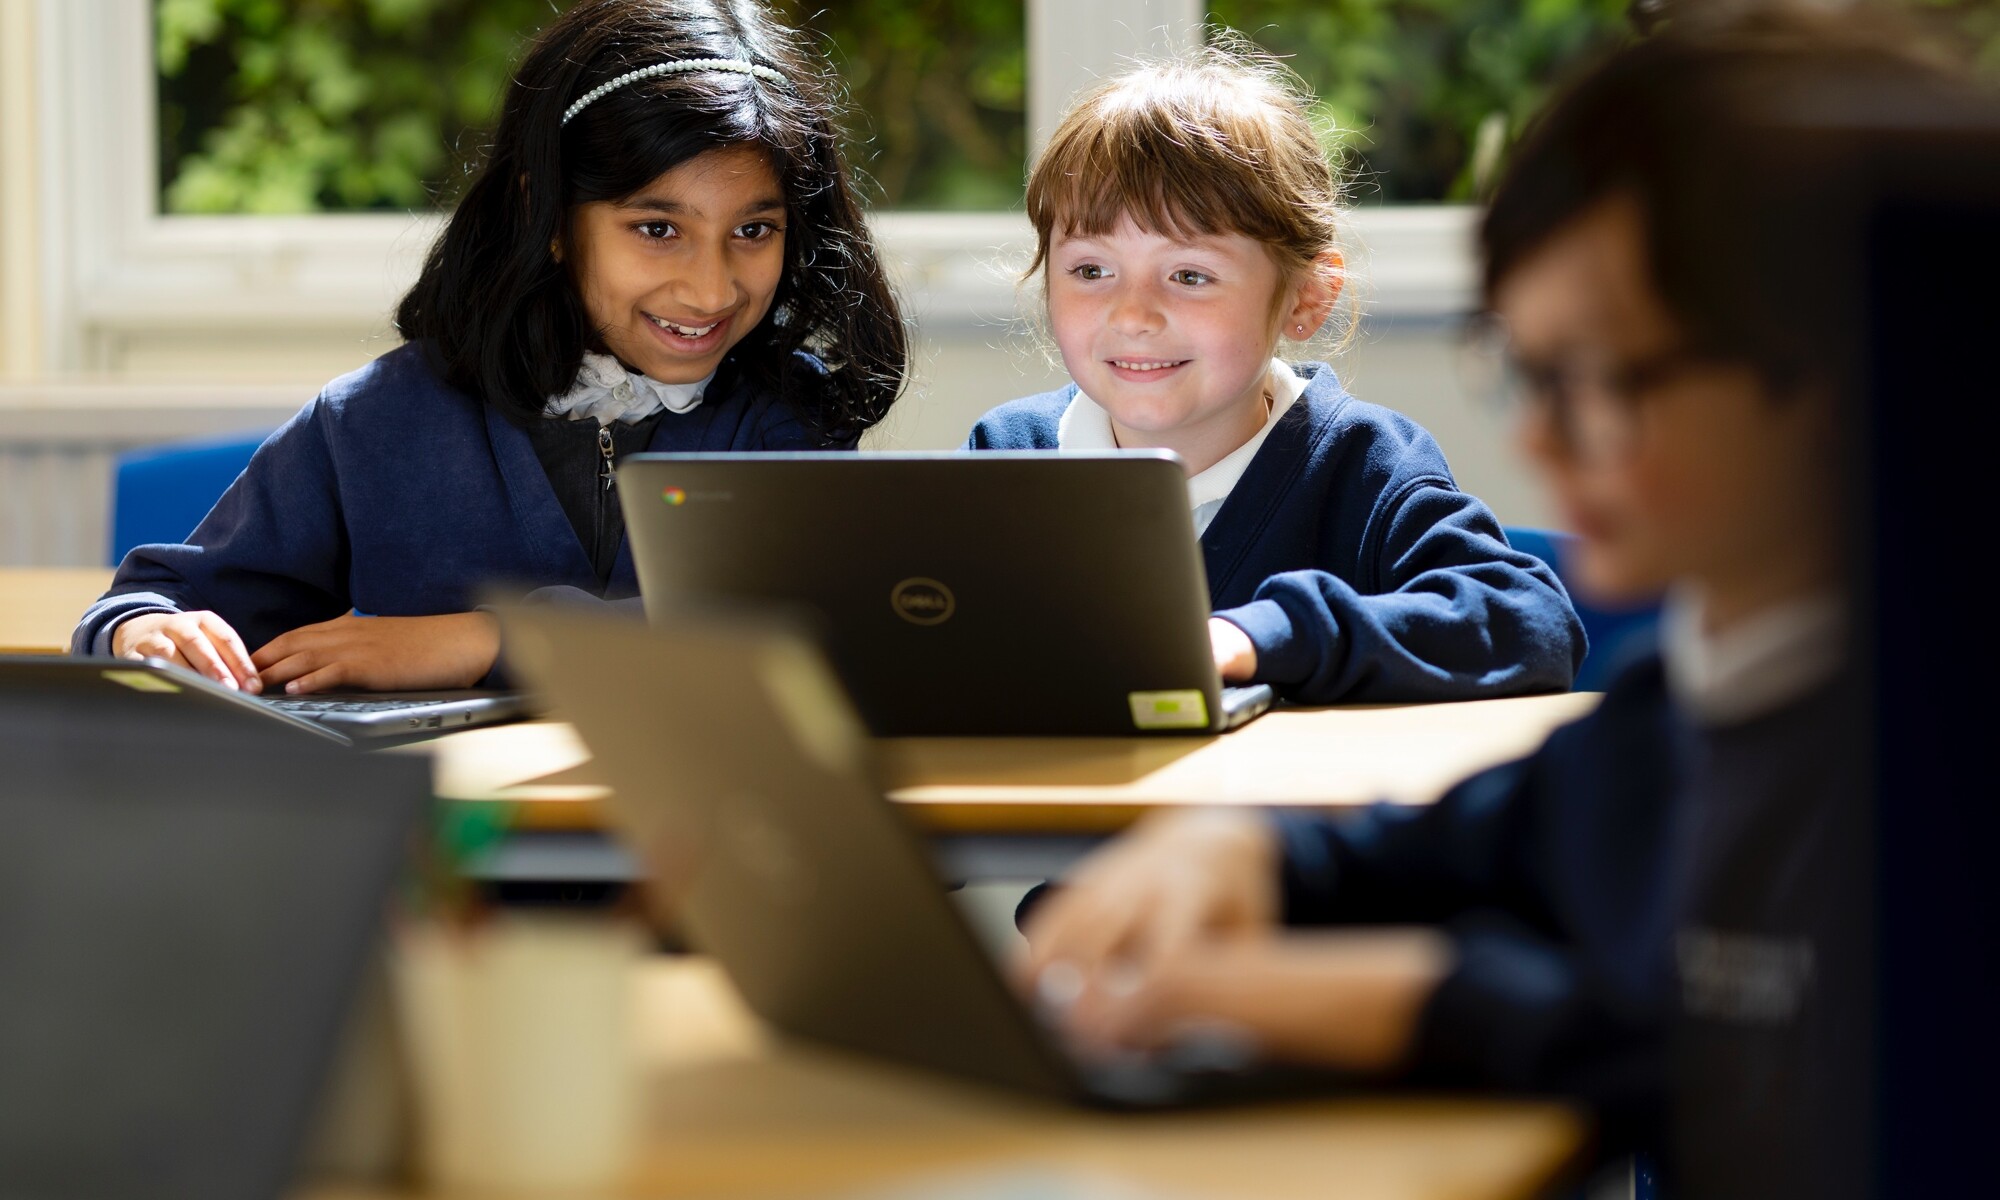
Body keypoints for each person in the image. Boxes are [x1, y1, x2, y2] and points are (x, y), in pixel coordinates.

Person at [1017, 15, 1956, 1194]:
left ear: (1849, 366)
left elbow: (1730, 1039)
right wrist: (1250, 854)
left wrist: (1405, 1002)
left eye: (1609, 378)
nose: (1536, 436)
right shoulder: (1699, 694)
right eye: (1528, 369)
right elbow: (1482, 835)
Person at [72, 0, 905, 695]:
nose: (711, 288)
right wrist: (149, 629)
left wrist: (490, 639)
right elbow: (163, 597)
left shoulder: (786, 415)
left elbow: (799, 622)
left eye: (753, 231)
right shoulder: (379, 421)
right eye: (657, 229)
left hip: (706, 868)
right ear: (547, 219)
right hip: (460, 865)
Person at [965, 49, 1583, 704]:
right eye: (1091, 270)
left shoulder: (1364, 466)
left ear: (1305, 299)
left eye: (1189, 275)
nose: (1133, 314)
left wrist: (1263, 636)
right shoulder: (1006, 454)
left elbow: (1532, 623)